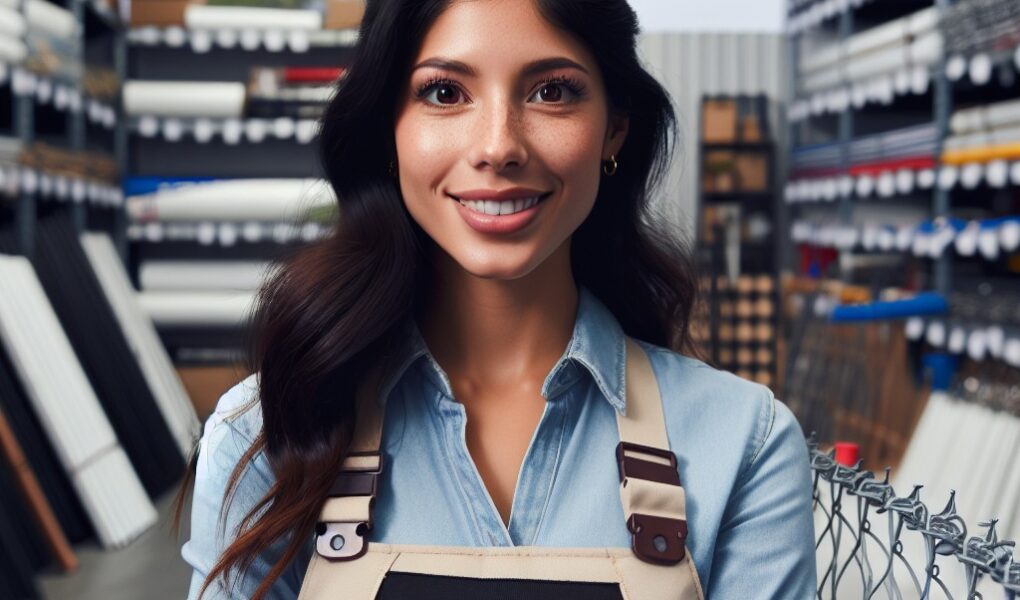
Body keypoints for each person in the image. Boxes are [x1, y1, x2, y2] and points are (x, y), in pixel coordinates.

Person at [176, 0, 817, 598]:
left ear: (614, 130)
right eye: (445, 92)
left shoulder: (743, 446)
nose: (498, 146)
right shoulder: (267, 437)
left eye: (552, 91)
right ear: (388, 130)